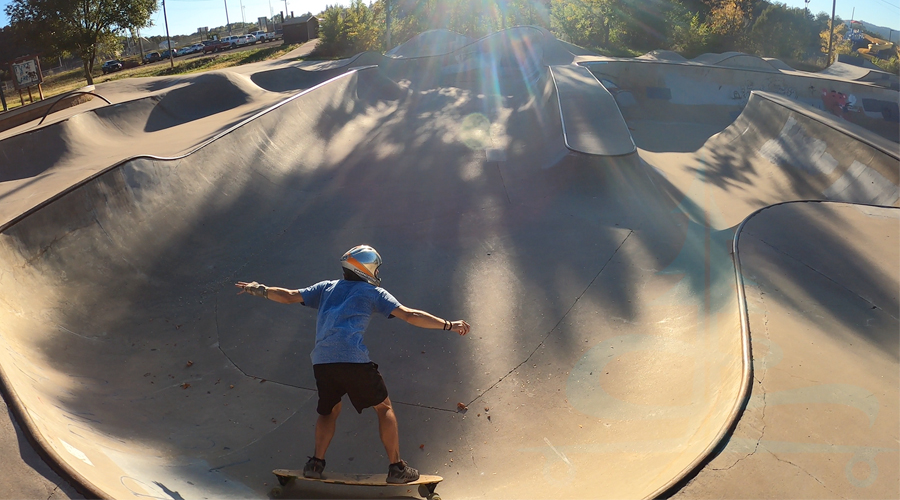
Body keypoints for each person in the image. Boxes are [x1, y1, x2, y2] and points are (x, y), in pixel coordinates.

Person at [235, 245, 470, 483]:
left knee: (330, 409)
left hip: (323, 362)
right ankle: (397, 468)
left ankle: (315, 464)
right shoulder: (373, 293)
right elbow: (410, 315)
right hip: (353, 360)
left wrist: (259, 289)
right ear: (367, 269)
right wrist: (449, 324)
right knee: (383, 407)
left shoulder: (326, 287)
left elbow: (287, 296)